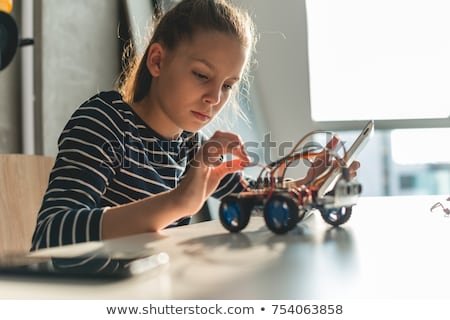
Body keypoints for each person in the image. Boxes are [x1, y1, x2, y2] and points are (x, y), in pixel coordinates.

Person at [31, 0, 358, 251]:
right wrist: (177, 202)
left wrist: (306, 186)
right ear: (158, 61)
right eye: (202, 75)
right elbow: (51, 234)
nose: (215, 97)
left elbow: (254, 202)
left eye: (228, 85)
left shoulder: (191, 146)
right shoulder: (103, 120)